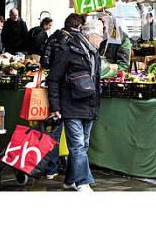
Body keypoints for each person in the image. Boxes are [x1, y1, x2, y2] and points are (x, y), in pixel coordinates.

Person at [47, 13, 100, 192]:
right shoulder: (68, 50)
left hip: (89, 106)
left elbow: (96, 81)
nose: (101, 40)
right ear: (91, 36)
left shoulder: (94, 54)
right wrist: (55, 107)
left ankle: (70, 180)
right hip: (71, 105)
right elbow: (53, 79)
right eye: (99, 37)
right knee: (77, 145)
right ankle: (83, 182)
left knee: (82, 145)